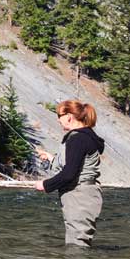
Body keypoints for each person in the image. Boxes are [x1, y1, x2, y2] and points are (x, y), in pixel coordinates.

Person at [34, 100, 105, 247]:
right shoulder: (85, 137)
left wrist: (46, 185)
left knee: (76, 246)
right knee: (78, 243)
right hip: (84, 195)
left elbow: (69, 174)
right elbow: (77, 164)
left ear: (69, 116)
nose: (58, 120)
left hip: (79, 196)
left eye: (59, 115)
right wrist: (52, 159)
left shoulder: (78, 139)